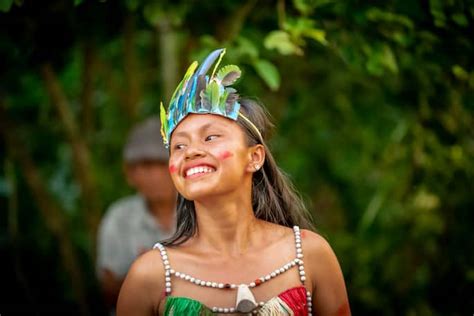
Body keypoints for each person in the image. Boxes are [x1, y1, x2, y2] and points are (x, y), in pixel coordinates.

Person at [117, 49, 350, 315]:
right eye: (179, 145)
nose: (190, 152)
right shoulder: (149, 275)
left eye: (210, 137)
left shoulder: (310, 255)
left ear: (254, 157)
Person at [97, 117, 177, 312]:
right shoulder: (119, 218)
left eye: (163, 164)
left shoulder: (203, 211)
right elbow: (108, 291)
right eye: (147, 166)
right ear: (130, 173)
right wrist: (143, 273)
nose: (157, 175)